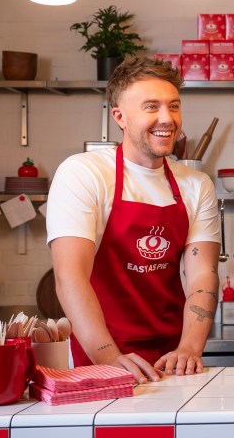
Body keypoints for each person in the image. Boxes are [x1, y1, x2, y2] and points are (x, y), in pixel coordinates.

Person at [46, 56, 221, 383]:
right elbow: (70, 276)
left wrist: (190, 348)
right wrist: (109, 358)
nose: (167, 119)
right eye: (151, 107)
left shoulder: (196, 186)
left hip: (174, 359)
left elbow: (202, 277)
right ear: (120, 116)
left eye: (174, 106)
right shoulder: (84, 173)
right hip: (99, 353)